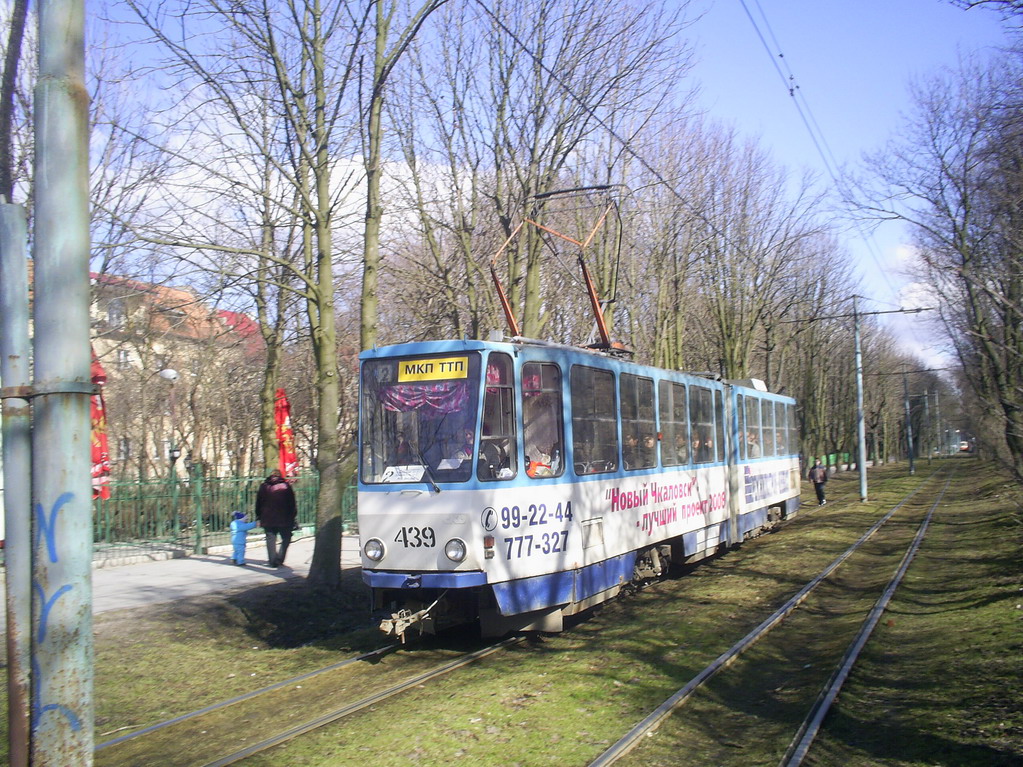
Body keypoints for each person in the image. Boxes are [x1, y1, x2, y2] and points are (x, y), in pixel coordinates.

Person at [255, 470, 298, 567]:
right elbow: (292, 503)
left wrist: (258, 515)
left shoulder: (264, 486)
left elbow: (258, 503)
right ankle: (280, 558)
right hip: (284, 518)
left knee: (270, 538)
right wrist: (293, 515)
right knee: (286, 537)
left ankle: (272, 561)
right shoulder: (286, 487)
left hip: (267, 518)